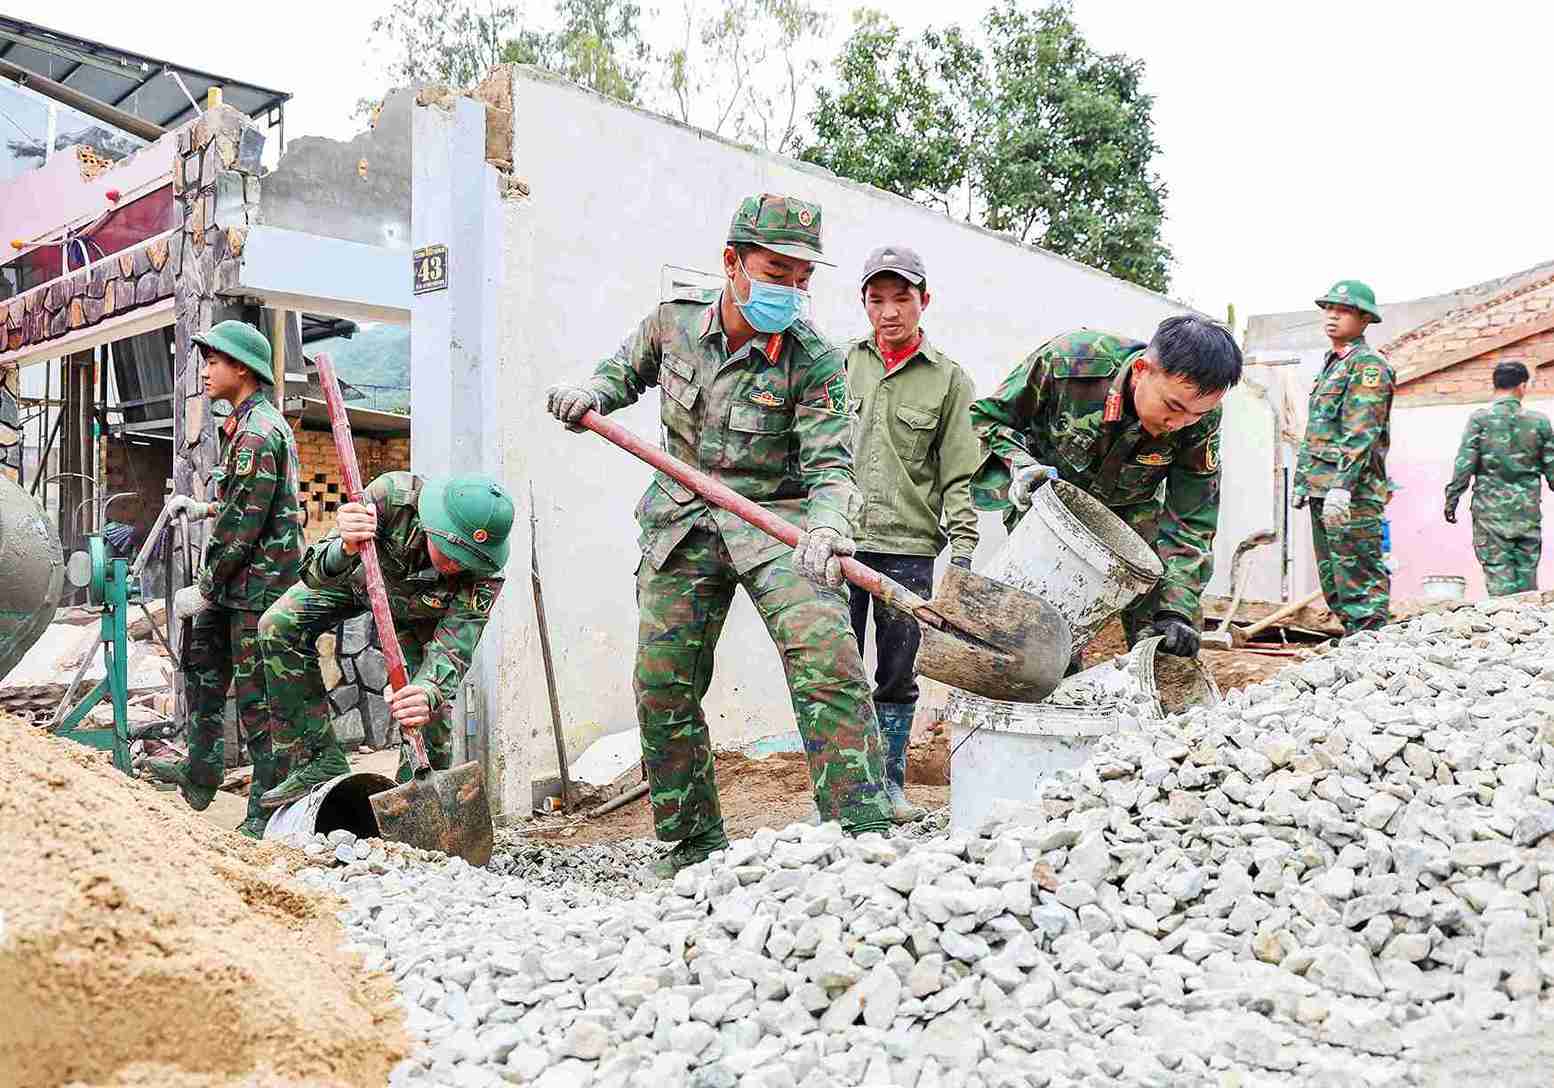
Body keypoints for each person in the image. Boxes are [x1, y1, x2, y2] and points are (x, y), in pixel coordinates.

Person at [545, 193, 893, 877]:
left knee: (829, 659)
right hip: (682, 516)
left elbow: (831, 462)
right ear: (732, 262)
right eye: (777, 271)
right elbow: (622, 374)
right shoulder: (672, 326)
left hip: (777, 521)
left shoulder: (814, 358)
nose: (791, 291)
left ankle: (860, 835)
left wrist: (828, 524)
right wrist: (590, 393)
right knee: (661, 682)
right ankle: (691, 843)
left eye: (802, 279)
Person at [969, 316, 1243, 658]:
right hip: (1049, 516)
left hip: (1134, 518)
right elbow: (989, 419)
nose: (1179, 424)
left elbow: (1191, 519)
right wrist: (1019, 465)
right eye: (1173, 406)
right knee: (1041, 646)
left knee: (1169, 642)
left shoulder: (1199, 420)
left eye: (1196, 414)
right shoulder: (1070, 362)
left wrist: (1176, 609)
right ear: (1142, 370)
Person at [256, 471, 511, 806]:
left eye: (466, 561)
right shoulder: (392, 498)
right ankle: (319, 759)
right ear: (431, 523)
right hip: (355, 583)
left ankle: (416, 805)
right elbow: (314, 573)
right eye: (449, 552)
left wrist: (429, 691)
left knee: (424, 710)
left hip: (415, 619)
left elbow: (455, 647)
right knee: (276, 625)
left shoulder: (485, 571)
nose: (454, 566)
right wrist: (344, 545)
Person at [144, 320, 302, 838]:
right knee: (203, 672)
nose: (206, 371)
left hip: (257, 593)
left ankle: (261, 814)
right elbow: (239, 503)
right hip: (237, 588)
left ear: (242, 368)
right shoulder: (244, 424)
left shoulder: (258, 432)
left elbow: (242, 527)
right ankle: (201, 770)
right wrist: (203, 505)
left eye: (214, 361)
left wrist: (206, 586)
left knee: (259, 708)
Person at [844, 245, 979, 823]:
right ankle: (847, 790)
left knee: (898, 675)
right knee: (835, 669)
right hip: (840, 544)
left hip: (908, 552)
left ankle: (891, 785)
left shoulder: (948, 381)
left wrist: (965, 552)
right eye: (878, 299)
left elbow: (959, 471)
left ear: (924, 302)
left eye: (902, 298)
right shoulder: (839, 364)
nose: (890, 311)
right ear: (865, 304)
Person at [1293, 280, 1394, 634]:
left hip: (1350, 494)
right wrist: (1305, 482)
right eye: (1329, 309)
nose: (1332, 316)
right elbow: (1322, 431)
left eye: (1344, 310)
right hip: (1324, 489)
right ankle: (1356, 645)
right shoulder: (1334, 364)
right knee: (1334, 581)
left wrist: (1343, 487)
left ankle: (1372, 648)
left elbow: (1361, 431)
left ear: (1365, 318)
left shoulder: (1367, 366)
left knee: (1360, 582)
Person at [1444, 360, 1554, 595]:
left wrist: (1452, 499)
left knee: (1498, 577)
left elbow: (1464, 465)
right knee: (1527, 579)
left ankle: (1504, 626)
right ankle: (1528, 629)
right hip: (1527, 513)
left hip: (1490, 514)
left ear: (1494, 385)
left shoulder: (1480, 420)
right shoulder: (1540, 422)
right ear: (1522, 386)